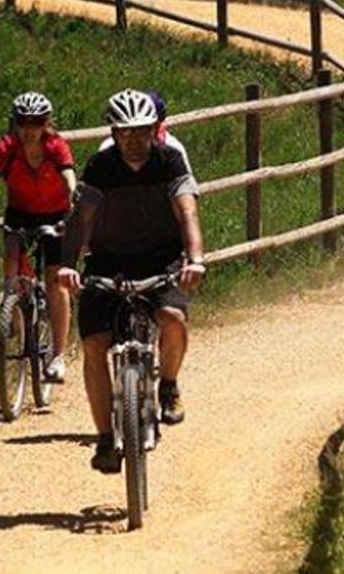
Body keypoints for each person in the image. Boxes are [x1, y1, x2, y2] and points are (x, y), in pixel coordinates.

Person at [57, 89, 206, 474]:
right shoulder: (100, 166)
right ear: (114, 132)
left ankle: (168, 386)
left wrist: (196, 260)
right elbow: (81, 218)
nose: (134, 140)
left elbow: (187, 211)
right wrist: (68, 265)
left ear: (155, 129)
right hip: (109, 262)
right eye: (126, 133)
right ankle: (106, 438)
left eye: (142, 131)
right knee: (93, 345)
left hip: (163, 259)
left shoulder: (170, 161)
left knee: (172, 317)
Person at [0, 91, 76, 383]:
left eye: (36, 122)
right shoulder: (8, 146)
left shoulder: (55, 145)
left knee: (55, 280)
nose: (29, 129)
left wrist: (74, 207)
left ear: (45, 123)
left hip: (55, 215)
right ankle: (13, 314)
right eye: (23, 122)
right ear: (15, 123)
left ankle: (59, 355)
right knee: (11, 261)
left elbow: (68, 176)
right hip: (20, 212)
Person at [98, 90, 192, 173]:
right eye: (127, 130)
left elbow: (185, 186)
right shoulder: (106, 150)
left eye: (143, 129)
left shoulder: (173, 150)